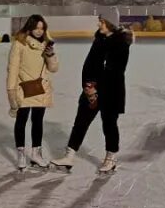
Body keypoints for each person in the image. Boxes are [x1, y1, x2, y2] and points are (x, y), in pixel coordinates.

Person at [51, 17, 131, 173]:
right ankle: (69, 156)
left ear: (110, 24)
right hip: (91, 89)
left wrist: (96, 87)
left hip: (111, 92)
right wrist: (87, 86)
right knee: (80, 122)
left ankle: (111, 158)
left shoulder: (121, 44)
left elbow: (114, 71)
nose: (98, 24)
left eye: (102, 22)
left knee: (109, 125)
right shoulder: (99, 40)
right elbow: (89, 65)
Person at [6, 15, 60, 170]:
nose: (39, 31)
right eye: (36, 27)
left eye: (42, 28)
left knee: (38, 121)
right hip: (23, 88)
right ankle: (21, 154)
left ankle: (36, 154)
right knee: (21, 120)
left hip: (40, 88)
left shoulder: (46, 44)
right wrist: (11, 91)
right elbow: (13, 69)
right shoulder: (19, 44)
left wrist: (50, 55)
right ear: (29, 28)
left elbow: (54, 69)